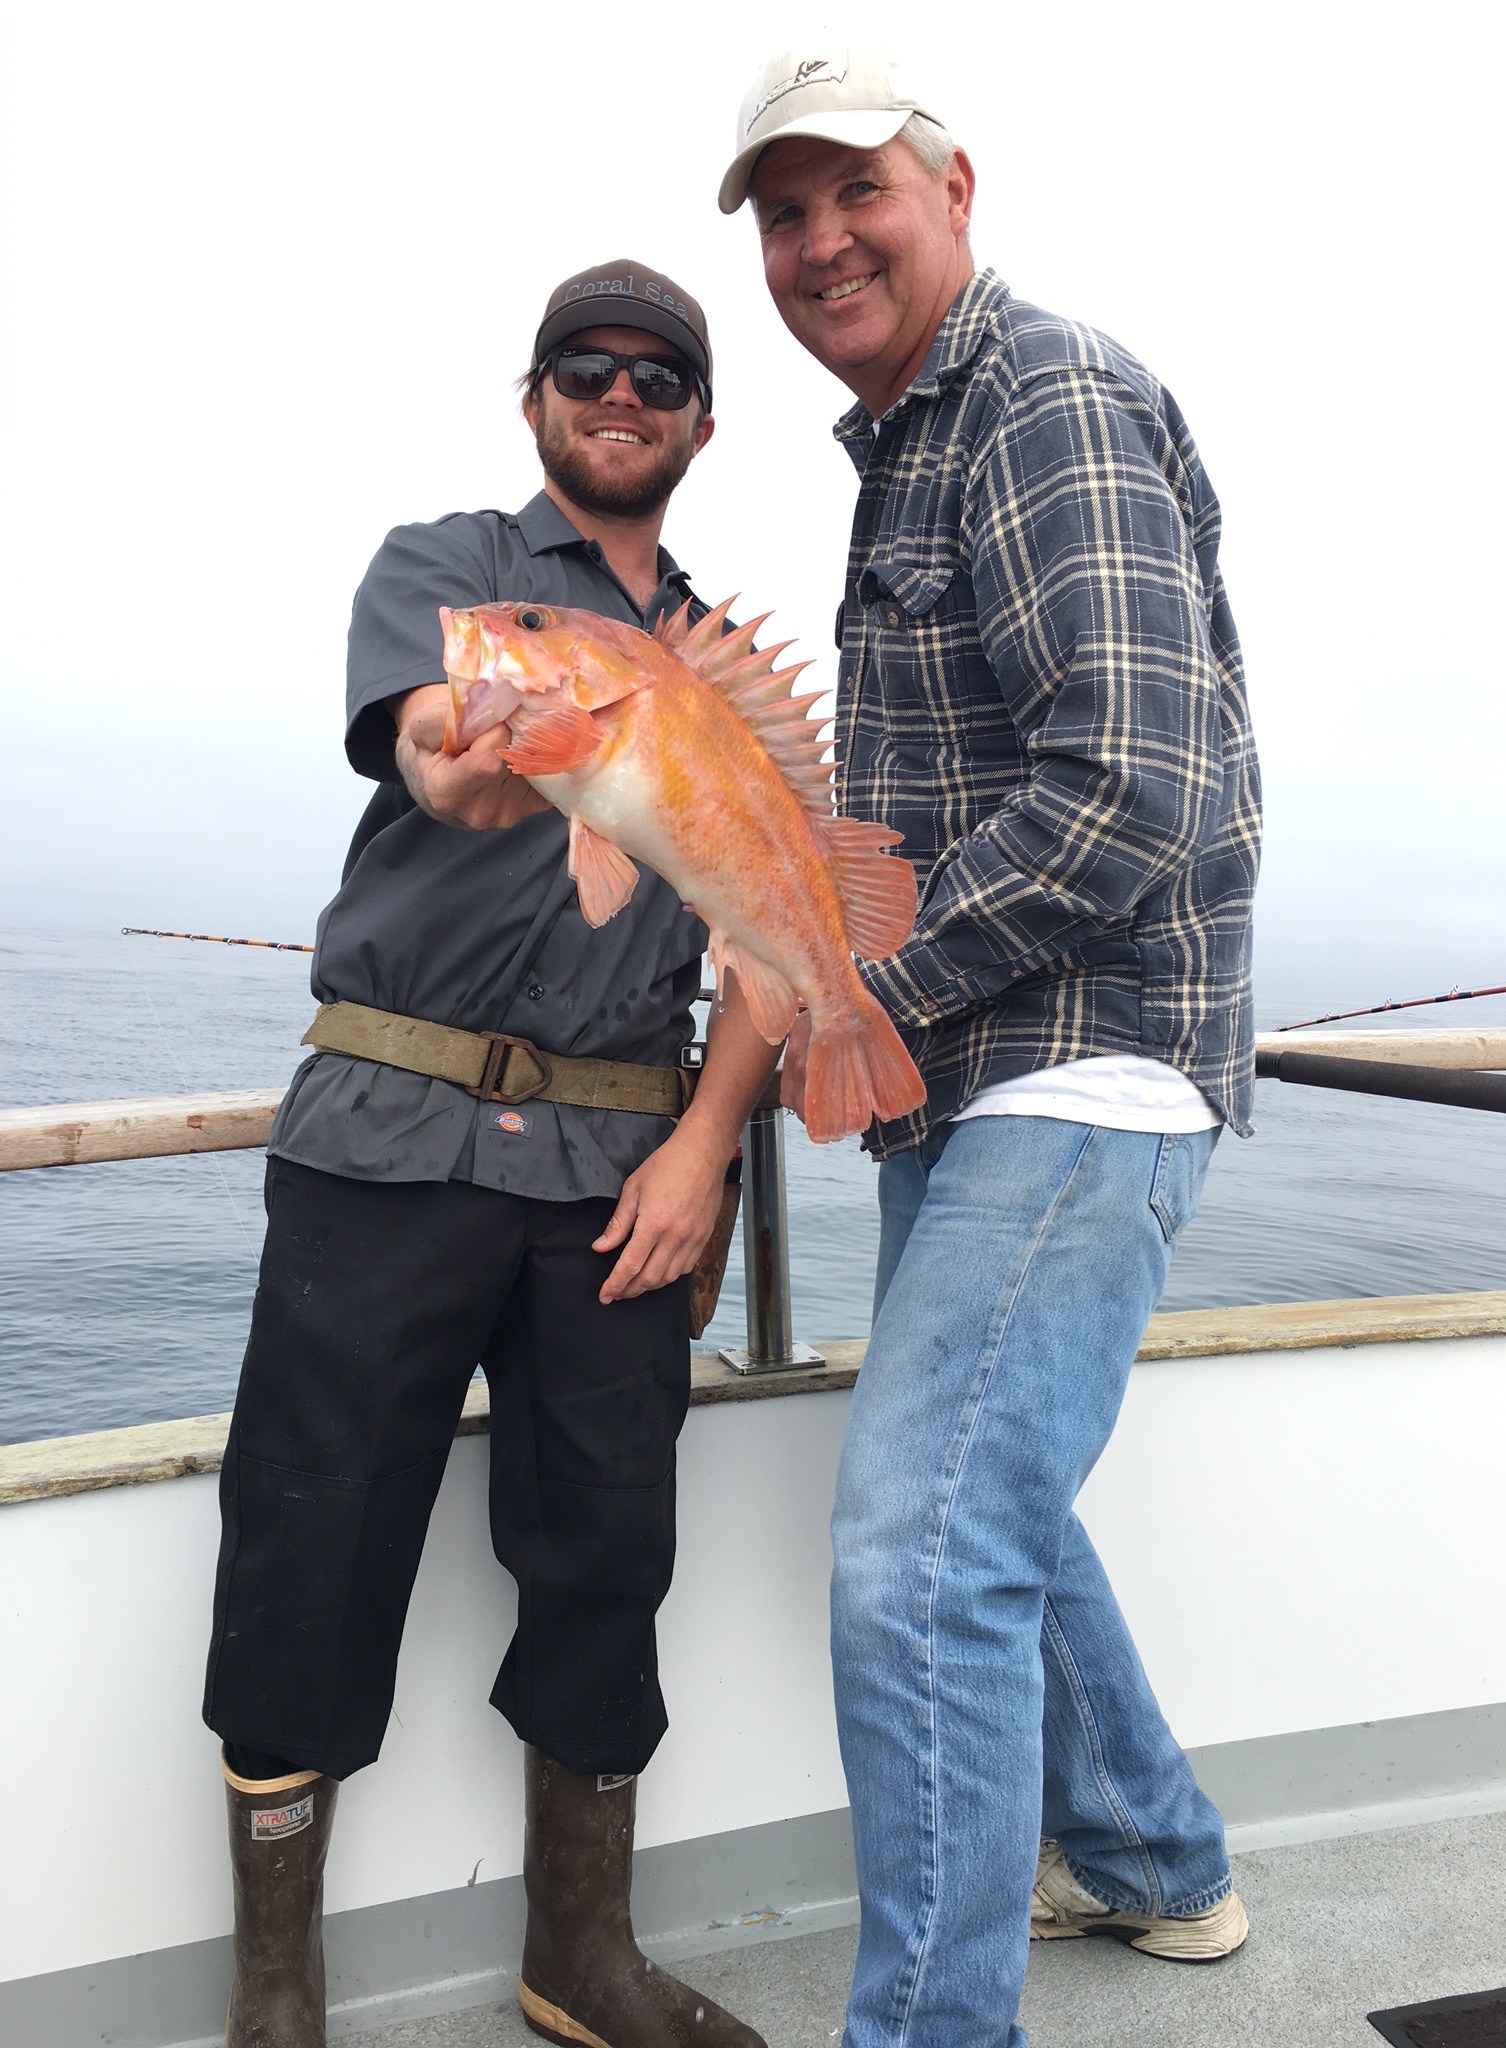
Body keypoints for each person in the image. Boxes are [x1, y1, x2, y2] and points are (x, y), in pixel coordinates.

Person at [720, 49, 1263, 2048]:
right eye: (781, 215)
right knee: (980, 1511)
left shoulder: (1041, 400)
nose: (817, 241)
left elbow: (1139, 787)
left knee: (915, 1556)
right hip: (971, 1075)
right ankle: (1151, 1857)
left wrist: (860, 996)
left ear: (956, 188)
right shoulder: (904, 456)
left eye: (852, 190)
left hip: (1087, 1064)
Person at [202, 259, 776, 2048]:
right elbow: (440, 756)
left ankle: (579, 1957)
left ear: (698, 420)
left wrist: (702, 1151)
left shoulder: (720, 669)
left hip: (623, 1163)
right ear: (533, 399)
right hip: (387, 1134)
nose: (624, 391)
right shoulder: (448, 572)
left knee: (610, 1548)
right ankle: (279, 1986)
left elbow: (765, 931)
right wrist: (493, 736)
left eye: (661, 372)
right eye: (587, 368)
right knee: (311, 1529)